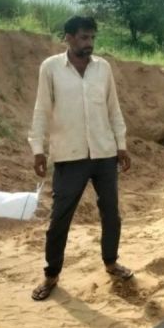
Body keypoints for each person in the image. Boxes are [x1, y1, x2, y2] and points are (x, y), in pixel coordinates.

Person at [29, 15, 133, 301]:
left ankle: (111, 262)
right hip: (69, 155)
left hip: (104, 153)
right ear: (69, 38)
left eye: (92, 38)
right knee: (59, 218)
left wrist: (120, 144)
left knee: (111, 212)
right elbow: (41, 109)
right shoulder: (50, 68)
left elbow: (114, 110)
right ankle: (51, 275)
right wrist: (37, 148)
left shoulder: (103, 69)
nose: (89, 44)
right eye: (84, 37)